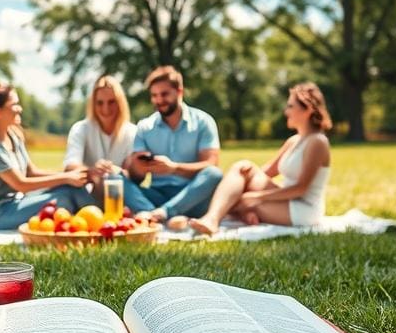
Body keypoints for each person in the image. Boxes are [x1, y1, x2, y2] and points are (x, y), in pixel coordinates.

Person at [189, 82, 332, 235]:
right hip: (288, 200)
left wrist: (257, 197)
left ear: (308, 109)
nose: (286, 111)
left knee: (237, 202)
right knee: (242, 169)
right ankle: (216, 217)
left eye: (291, 106)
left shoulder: (317, 142)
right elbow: (267, 171)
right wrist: (243, 180)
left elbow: (300, 189)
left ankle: (211, 219)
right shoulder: (294, 141)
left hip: (304, 209)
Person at [0, 83, 94, 229]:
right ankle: (97, 228)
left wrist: (71, 177)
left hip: (18, 203)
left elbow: (31, 173)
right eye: (14, 104)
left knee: (70, 188)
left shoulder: (13, 135)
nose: (20, 108)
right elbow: (21, 184)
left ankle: (99, 221)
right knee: (62, 199)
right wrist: (65, 178)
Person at [124, 65, 223, 222]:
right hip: (156, 195)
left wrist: (174, 168)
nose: (159, 100)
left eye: (164, 94)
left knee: (214, 174)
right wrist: (137, 167)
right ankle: (153, 214)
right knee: (114, 178)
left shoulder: (203, 122)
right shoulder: (145, 126)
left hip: (192, 197)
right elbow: (136, 179)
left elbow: (211, 164)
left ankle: (162, 214)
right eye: (154, 95)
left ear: (179, 91)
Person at [63, 75, 137, 197]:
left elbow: (132, 175)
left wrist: (114, 171)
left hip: (121, 197)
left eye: (111, 102)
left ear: (120, 103)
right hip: (88, 195)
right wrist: (93, 172)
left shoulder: (132, 132)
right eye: (100, 103)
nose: (105, 109)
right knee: (65, 192)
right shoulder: (80, 129)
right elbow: (70, 167)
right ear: (93, 104)